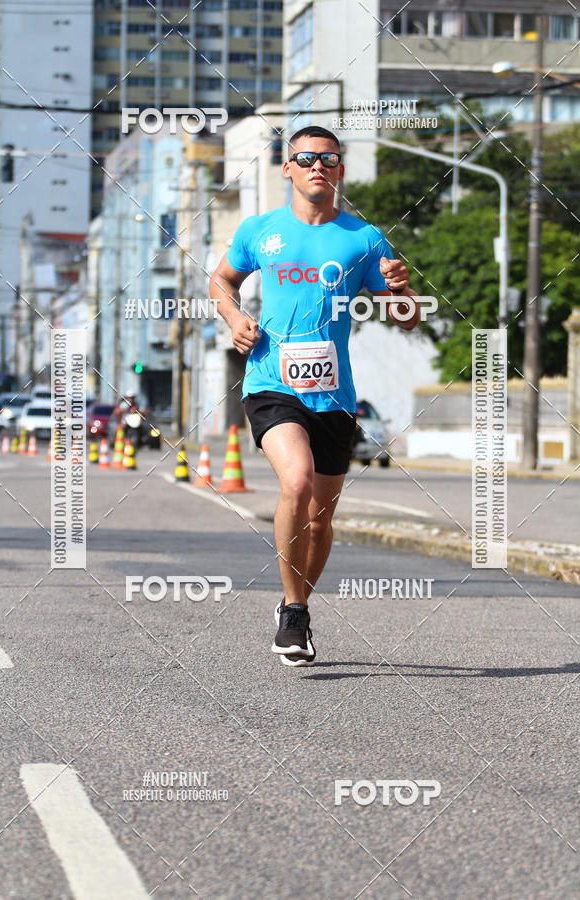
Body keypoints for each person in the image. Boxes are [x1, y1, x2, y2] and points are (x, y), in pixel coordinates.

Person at [210, 125, 420, 667]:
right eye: (305, 158)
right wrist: (235, 318)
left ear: (340, 170)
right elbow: (221, 281)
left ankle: (293, 603)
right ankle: (294, 615)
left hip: (335, 394)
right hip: (270, 381)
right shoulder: (261, 230)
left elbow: (407, 319)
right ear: (287, 168)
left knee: (321, 519)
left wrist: (401, 289)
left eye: (328, 158)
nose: (316, 167)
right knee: (296, 481)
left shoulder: (363, 238)